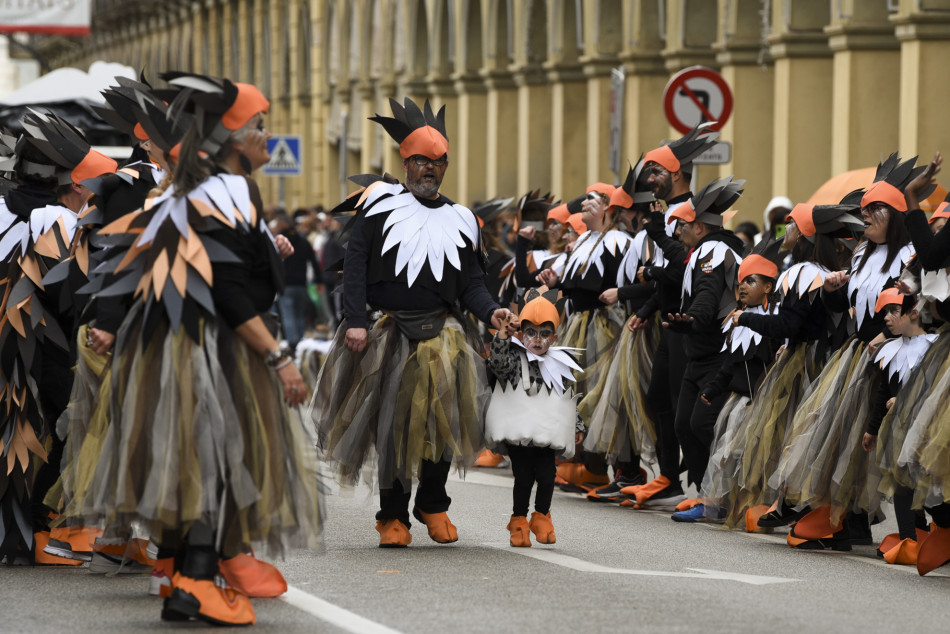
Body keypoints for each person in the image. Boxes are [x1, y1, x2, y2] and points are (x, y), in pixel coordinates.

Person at [66, 72, 322, 625]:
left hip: (180, 347)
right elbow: (229, 291)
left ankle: (186, 576)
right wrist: (279, 359)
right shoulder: (220, 195)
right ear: (230, 139)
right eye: (258, 128)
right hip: (209, 349)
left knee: (198, 461)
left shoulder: (201, 193)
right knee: (217, 464)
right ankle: (199, 580)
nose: (266, 139)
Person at [313, 97, 513, 548]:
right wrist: (356, 321)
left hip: (443, 333)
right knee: (392, 427)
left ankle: (433, 500)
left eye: (438, 162)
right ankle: (392, 515)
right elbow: (358, 266)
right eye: (420, 160)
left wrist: (492, 310)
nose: (429, 169)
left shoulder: (463, 220)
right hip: (387, 331)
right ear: (405, 163)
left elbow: (472, 285)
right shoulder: (380, 206)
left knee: (444, 422)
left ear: (446, 166)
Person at [770, 153, 919, 550]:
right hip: (855, 354)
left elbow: (912, 311)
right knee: (841, 438)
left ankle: (907, 531)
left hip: (889, 354)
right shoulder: (862, 255)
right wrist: (834, 292)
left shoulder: (907, 258)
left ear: (895, 215)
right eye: (864, 210)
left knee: (871, 440)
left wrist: (889, 339)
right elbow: (846, 310)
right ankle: (846, 523)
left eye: (874, 210)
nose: (865, 217)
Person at [0, 110, 117, 565]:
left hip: (13, 344)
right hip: (40, 344)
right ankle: (38, 528)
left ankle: (20, 533)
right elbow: (70, 289)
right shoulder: (54, 218)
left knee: (15, 431)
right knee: (70, 423)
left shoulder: (6, 207)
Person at [623, 124, 721, 509]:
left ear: (676, 173)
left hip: (691, 324)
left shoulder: (694, 212)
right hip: (669, 319)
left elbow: (686, 269)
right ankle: (669, 477)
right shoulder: (664, 213)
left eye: (656, 172)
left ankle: (702, 487)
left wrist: (650, 276)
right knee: (658, 398)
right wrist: (647, 308)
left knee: (686, 409)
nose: (650, 180)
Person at [689, 245, 781, 523]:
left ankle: (756, 505)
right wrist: (713, 388)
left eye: (751, 281)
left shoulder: (773, 324)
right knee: (727, 452)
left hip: (762, 402)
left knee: (755, 456)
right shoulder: (736, 322)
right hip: (738, 401)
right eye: (740, 281)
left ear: (767, 287)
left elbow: (777, 366)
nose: (742, 287)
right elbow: (729, 364)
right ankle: (717, 504)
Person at [484, 288, 583, 547]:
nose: (537, 340)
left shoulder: (561, 362)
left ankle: (541, 516)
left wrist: (577, 424)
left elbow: (567, 395)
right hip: (519, 432)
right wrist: (503, 337)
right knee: (524, 477)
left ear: (555, 336)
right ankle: (518, 520)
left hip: (547, 432)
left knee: (548, 476)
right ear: (521, 333)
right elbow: (497, 365)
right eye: (530, 332)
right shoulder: (514, 358)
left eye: (544, 334)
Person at [861, 288, 936, 565]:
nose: (887, 319)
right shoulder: (890, 350)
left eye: (893, 311)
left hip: (929, 427)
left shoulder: (934, 347)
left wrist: (904, 399)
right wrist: (872, 428)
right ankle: (909, 539)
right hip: (899, 428)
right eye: (884, 313)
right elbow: (883, 394)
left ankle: (938, 532)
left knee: (930, 482)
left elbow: (934, 388)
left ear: (914, 313)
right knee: (902, 480)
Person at [277, 209, 321, 350]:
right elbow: (314, 262)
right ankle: (301, 342)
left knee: (288, 314)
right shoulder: (303, 241)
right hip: (301, 284)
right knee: (300, 314)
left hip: (285, 284)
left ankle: (292, 343)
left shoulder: (279, 241)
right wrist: (319, 281)